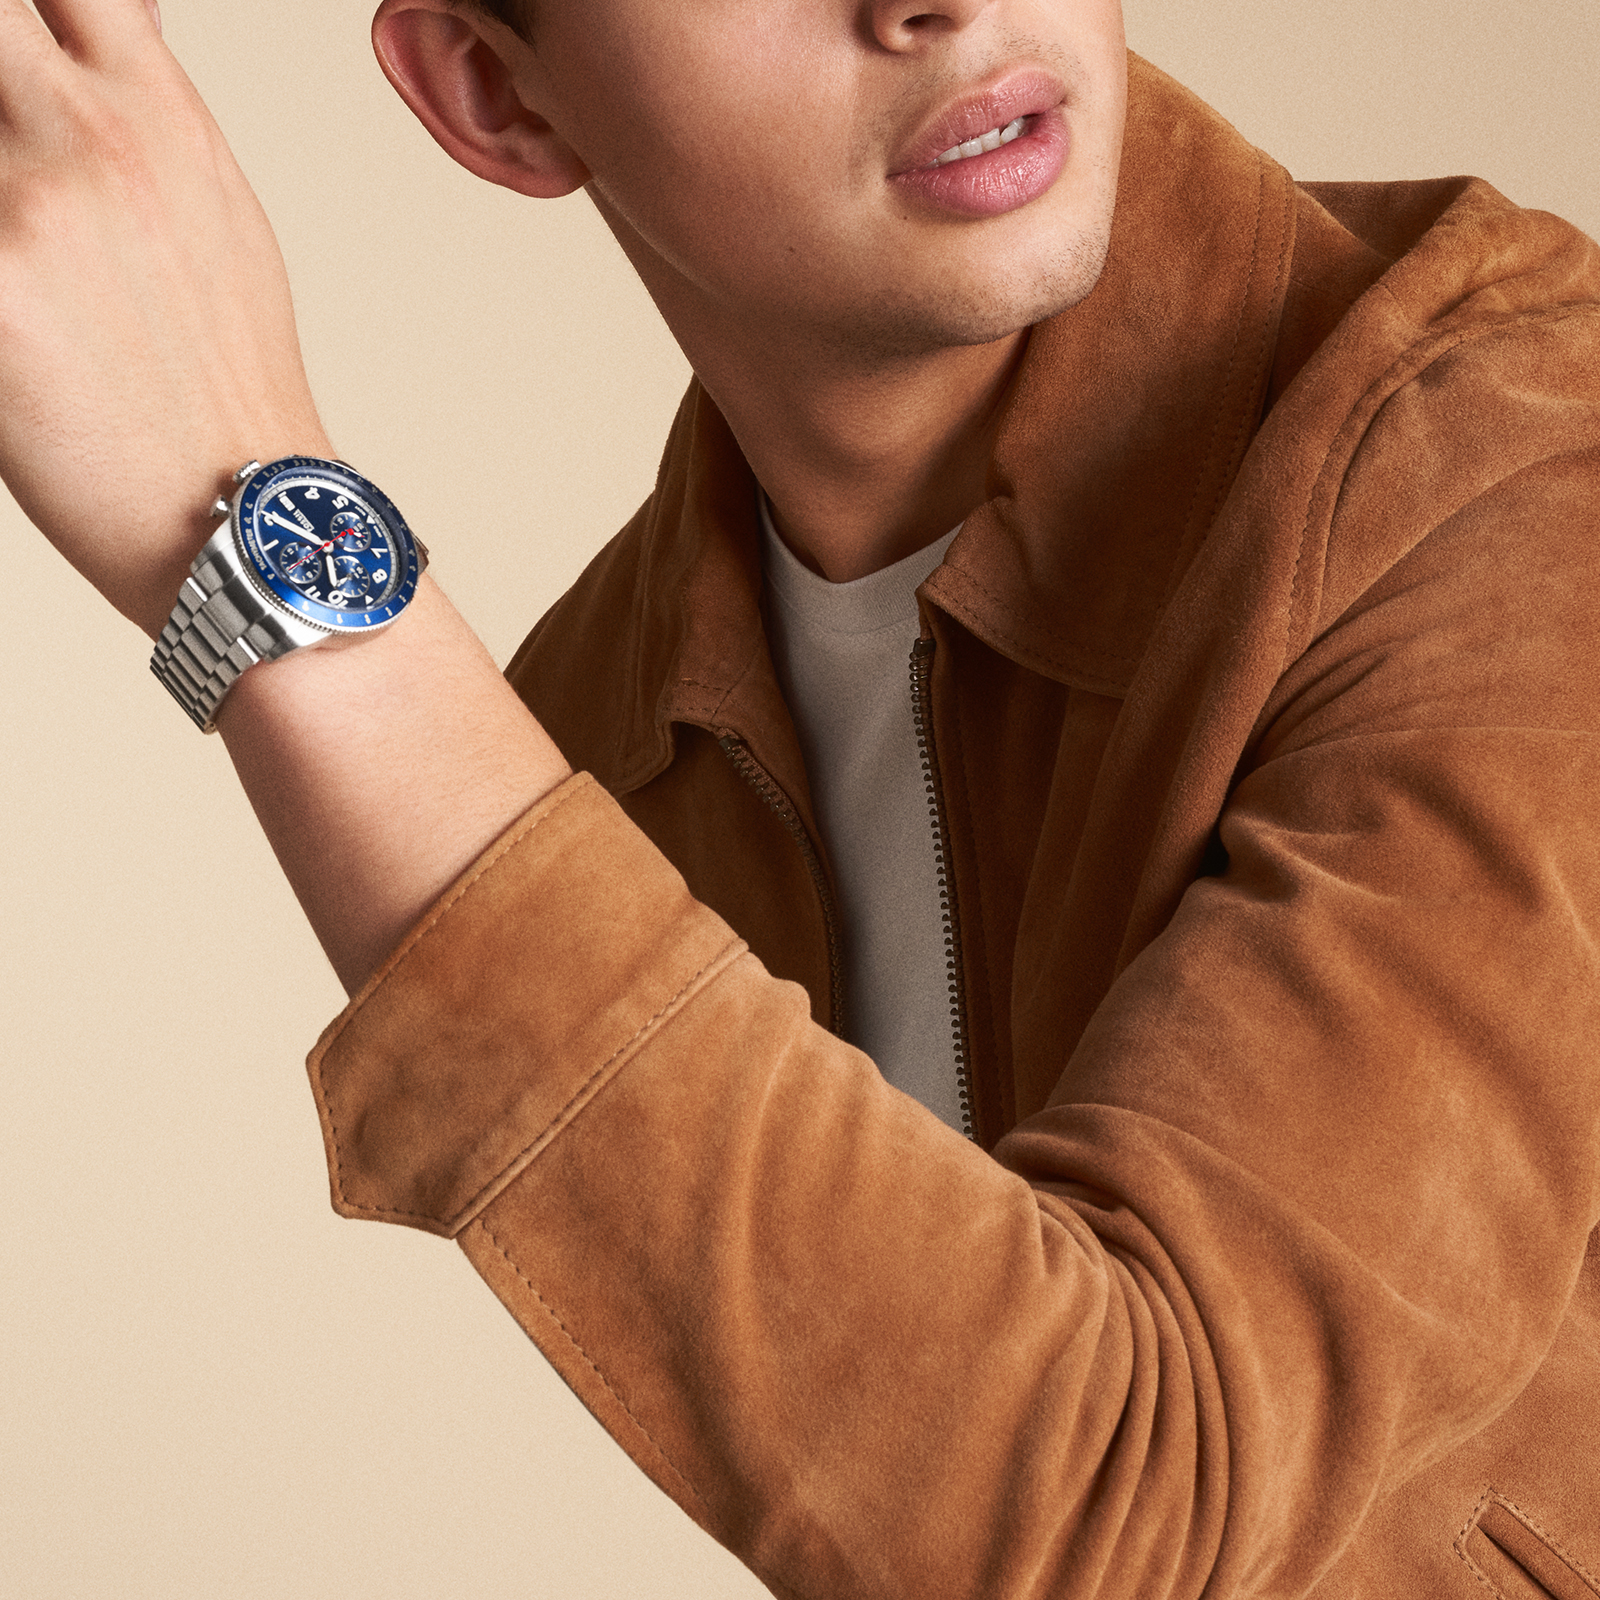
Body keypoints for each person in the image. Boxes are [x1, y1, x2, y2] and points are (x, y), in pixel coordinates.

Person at [4, 0, 1599, 1595]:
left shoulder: (1511, 451)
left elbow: (1128, 1505)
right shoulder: (608, 739)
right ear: (498, 94)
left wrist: (256, 525)